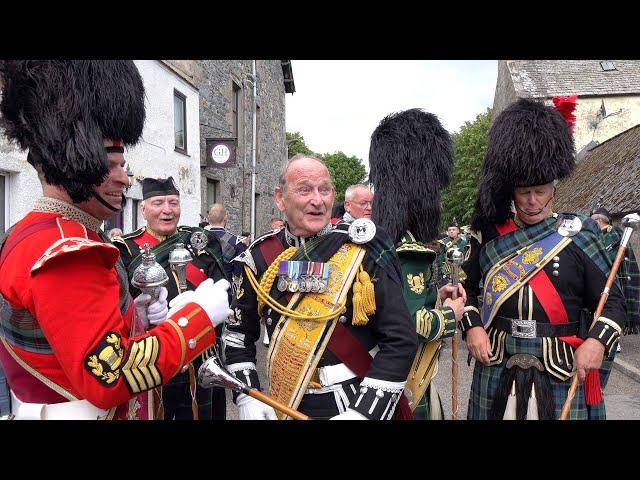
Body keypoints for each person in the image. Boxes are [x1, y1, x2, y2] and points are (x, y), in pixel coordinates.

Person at [0, 60, 231, 420]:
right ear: (76, 159)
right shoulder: (69, 251)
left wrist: (133, 317)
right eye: (115, 165)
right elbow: (111, 376)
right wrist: (195, 318)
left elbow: (72, 341)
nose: (125, 179)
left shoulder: (31, 233)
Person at [462, 97, 626, 420]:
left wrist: (596, 342)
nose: (533, 201)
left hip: (559, 367)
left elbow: (613, 303)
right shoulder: (490, 235)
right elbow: (466, 291)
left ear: (554, 188)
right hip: (498, 362)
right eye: (524, 192)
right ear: (511, 190)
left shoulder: (579, 234)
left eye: (541, 191)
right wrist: (472, 327)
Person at [222, 154, 417, 420]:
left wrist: (363, 413)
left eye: (324, 189)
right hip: (283, 405)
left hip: (355, 399)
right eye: (304, 189)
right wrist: (247, 395)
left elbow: (400, 341)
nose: (317, 200)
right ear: (280, 198)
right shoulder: (259, 257)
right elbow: (237, 336)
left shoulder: (362, 250)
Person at [368, 108, 467, 419]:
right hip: (406, 381)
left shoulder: (377, 237)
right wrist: (450, 316)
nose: (438, 200)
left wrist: (436, 296)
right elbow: (410, 324)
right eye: (434, 190)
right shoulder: (409, 249)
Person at [113, 178, 229, 420]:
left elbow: (225, 291)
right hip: (153, 360)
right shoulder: (125, 249)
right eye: (158, 203)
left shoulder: (201, 243)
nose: (167, 209)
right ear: (143, 209)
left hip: (201, 362)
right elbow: (118, 309)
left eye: (173, 203)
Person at [204, 203, 247, 285]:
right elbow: (238, 271)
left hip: (202, 287)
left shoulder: (200, 240)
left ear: (208, 219)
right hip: (226, 287)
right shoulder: (235, 241)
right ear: (225, 218)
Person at [435, 218, 470, 286]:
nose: (451, 231)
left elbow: (466, 257)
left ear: (458, 231)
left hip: (461, 271)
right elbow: (440, 259)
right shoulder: (443, 242)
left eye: (453, 229)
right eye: (449, 230)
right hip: (447, 272)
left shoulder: (464, 243)